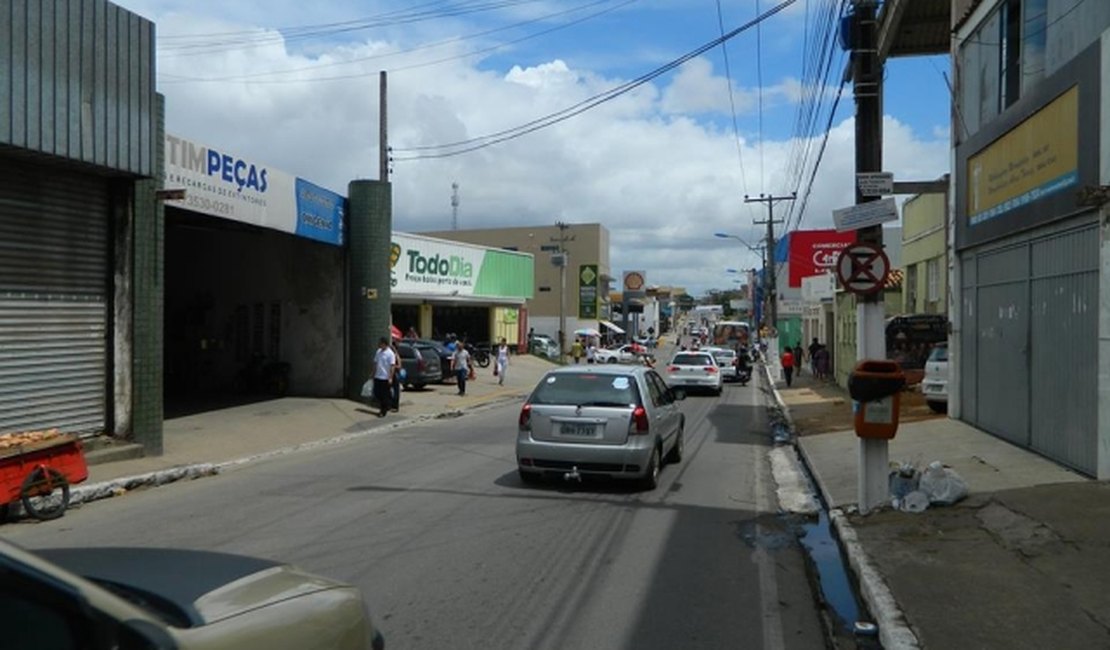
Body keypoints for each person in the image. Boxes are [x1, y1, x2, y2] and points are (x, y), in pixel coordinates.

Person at [372, 336, 396, 417]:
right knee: (377, 393)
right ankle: (388, 403)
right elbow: (375, 363)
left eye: (381, 343)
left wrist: (390, 377)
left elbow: (392, 366)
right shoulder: (378, 352)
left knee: (384, 395)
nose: (379, 345)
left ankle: (383, 411)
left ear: (385, 344)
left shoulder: (390, 354)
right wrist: (373, 374)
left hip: (385, 377)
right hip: (377, 376)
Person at [390, 341, 403, 412]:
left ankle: (395, 406)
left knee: (396, 391)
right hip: (390, 374)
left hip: (395, 375)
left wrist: (393, 366)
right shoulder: (391, 355)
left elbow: (399, 366)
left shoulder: (396, 355)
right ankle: (391, 404)